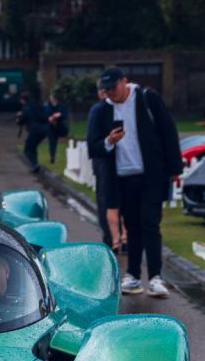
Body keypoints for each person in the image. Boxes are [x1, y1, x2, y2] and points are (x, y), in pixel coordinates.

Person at [87, 66, 182, 297]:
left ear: (124, 82)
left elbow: (168, 132)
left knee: (151, 223)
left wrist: (174, 168)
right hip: (121, 177)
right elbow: (94, 147)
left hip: (150, 174)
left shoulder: (147, 99)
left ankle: (156, 276)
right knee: (132, 226)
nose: (110, 93)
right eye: (106, 90)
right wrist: (109, 141)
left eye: (113, 88)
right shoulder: (101, 111)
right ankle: (133, 275)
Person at [87, 87, 125, 251]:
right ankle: (111, 238)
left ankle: (122, 237)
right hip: (104, 162)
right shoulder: (98, 111)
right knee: (107, 202)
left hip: (121, 164)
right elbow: (93, 143)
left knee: (122, 203)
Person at [17, 92, 49, 173]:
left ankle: (35, 165)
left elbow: (22, 121)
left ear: (23, 100)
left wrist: (18, 118)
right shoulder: (37, 105)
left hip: (35, 130)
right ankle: (35, 165)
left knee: (27, 149)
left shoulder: (26, 108)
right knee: (33, 146)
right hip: (44, 130)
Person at [44, 93, 70, 164]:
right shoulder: (47, 106)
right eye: (51, 98)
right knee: (52, 142)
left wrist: (59, 115)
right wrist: (49, 118)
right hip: (51, 127)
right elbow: (44, 115)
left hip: (60, 127)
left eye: (53, 98)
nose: (52, 99)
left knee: (64, 141)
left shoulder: (61, 106)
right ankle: (52, 157)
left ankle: (68, 155)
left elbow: (65, 115)